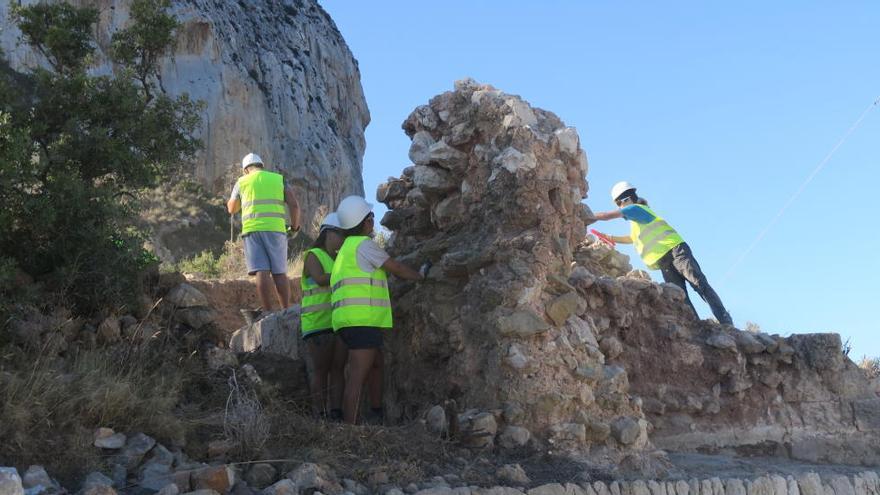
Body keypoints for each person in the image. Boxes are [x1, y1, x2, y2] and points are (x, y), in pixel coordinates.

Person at [330, 195, 427, 424]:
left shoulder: (344, 252)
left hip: (347, 323)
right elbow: (395, 267)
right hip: (362, 321)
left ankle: (375, 412)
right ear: (365, 222)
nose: (373, 221)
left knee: (375, 364)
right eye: (371, 217)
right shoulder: (363, 245)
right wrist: (420, 276)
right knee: (356, 376)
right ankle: (350, 431)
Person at [592, 181, 733, 325]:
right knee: (680, 298)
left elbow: (606, 215)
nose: (619, 208)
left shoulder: (636, 209)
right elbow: (632, 239)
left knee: (698, 284)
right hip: (664, 260)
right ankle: (695, 327)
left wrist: (588, 215)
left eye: (618, 204)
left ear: (626, 200)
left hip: (675, 250)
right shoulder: (636, 221)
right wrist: (610, 238)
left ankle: (725, 321)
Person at [227, 153, 301, 317]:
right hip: (276, 230)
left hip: (252, 230)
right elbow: (294, 205)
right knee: (279, 272)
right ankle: (286, 310)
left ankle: (267, 312)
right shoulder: (278, 179)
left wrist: (239, 197)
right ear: (261, 165)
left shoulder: (242, 182)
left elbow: (231, 209)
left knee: (261, 271)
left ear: (246, 169)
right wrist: (294, 227)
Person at [300, 212, 346, 420]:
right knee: (321, 370)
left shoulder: (338, 258)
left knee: (338, 369)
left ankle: (335, 413)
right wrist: (347, 273)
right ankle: (319, 415)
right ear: (329, 233)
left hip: (336, 323)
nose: (344, 239)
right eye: (341, 234)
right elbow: (319, 279)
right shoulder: (313, 255)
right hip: (317, 325)